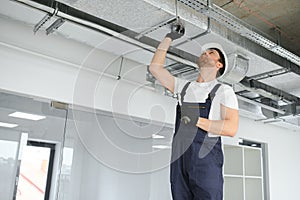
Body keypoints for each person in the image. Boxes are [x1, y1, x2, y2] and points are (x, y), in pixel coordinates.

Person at [149, 23, 239, 200]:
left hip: (205, 159)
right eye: (204, 52)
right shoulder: (184, 87)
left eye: (211, 53)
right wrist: (169, 37)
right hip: (179, 158)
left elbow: (231, 128)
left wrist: (196, 120)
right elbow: (155, 68)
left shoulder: (223, 90)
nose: (205, 53)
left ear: (219, 64)